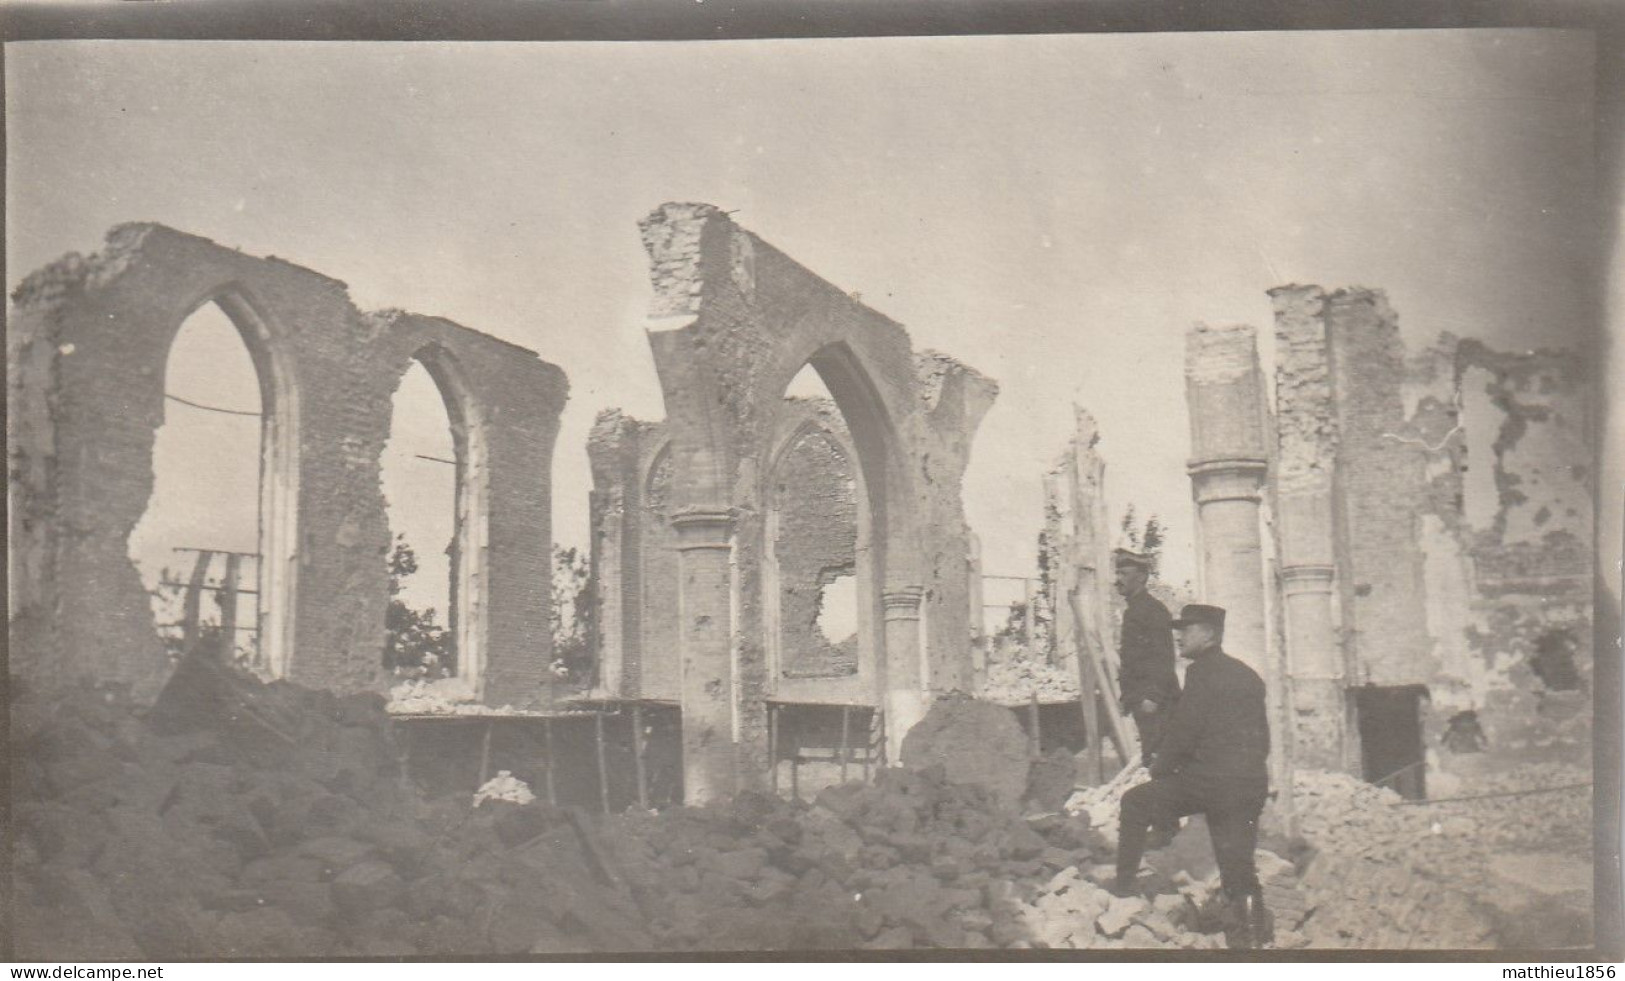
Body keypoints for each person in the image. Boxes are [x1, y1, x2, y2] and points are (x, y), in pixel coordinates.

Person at [1112, 603, 1273, 949]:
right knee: (1238, 865)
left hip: (1210, 783)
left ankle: (1123, 888)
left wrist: (1159, 769)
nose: (1179, 634)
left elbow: (1184, 734)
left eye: (1188, 628)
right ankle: (1255, 937)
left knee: (1135, 803)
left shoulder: (1201, 673)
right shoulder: (1248, 675)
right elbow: (1263, 739)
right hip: (1249, 784)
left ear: (1210, 634)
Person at [1112, 548, 1179, 765]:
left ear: (1140, 577)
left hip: (1157, 701)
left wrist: (1154, 695)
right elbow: (1132, 660)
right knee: (1151, 754)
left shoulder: (1153, 610)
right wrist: (1126, 696)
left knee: (1159, 756)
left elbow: (1164, 657)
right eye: (1117, 573)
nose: (1118, 579)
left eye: (1124, 573)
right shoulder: (1133, 610)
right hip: (1141, 698)